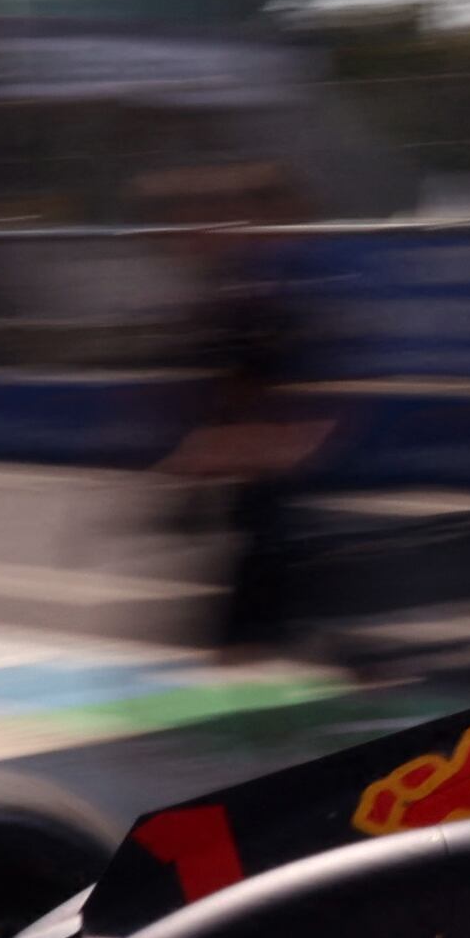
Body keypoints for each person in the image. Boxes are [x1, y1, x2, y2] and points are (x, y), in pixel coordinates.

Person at [158, 176, 331, 663]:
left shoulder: (266, 282)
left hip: (261, 438)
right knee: (261, 540)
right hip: (254, 438)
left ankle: (250, 639)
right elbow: (232, 367)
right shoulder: (243, 284)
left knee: (264, 540)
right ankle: (247, 640)